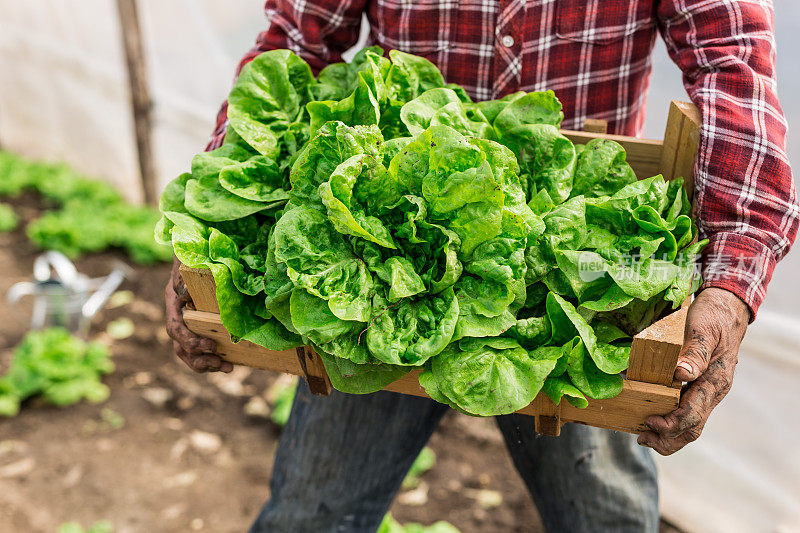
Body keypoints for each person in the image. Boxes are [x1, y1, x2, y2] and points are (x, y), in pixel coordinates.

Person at [165, 1, 798, 531]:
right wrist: (208, 233)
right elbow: (298, 39)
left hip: (577, 275)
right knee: (312, 512)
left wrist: (731, 282)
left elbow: (731, 63)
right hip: (374, 289)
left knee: (607, 517)